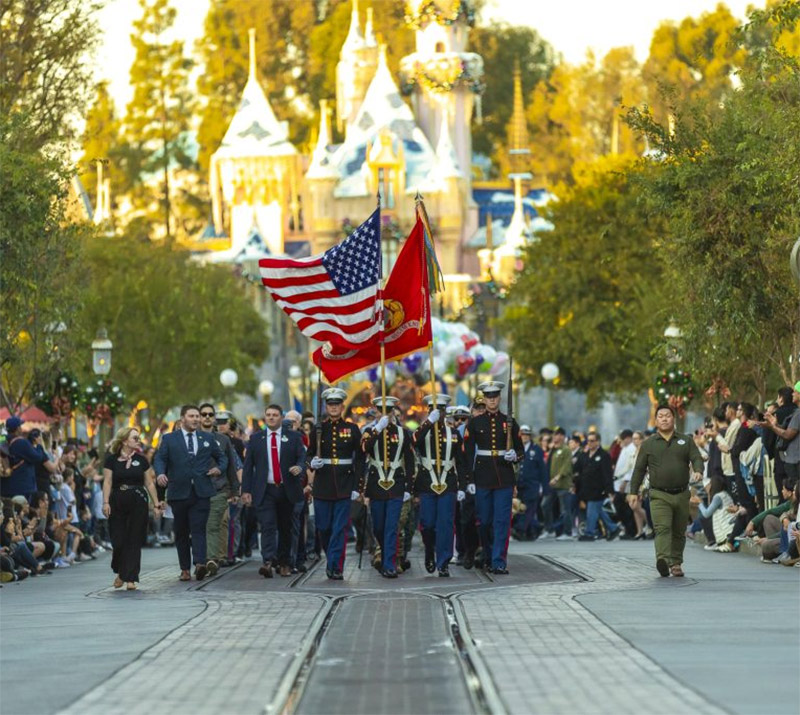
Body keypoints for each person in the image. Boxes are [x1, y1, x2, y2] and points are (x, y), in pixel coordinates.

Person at [629, 404, 704, 577]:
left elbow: (696, 457)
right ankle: (662, 560)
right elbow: (639, 469)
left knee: (679, 530)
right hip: (659, 494)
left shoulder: (685, 440)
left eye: (667, 415)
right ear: (656, 421)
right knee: (662, 528)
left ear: (673, 419)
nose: (664, 418)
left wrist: (698, 470)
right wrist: (633, 491)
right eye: (660, 416)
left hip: (681, 493)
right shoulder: (648, 444)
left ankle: (676, 563)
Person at [153, 405, 227, 582]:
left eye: (197, 416)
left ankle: (200, 564)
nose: (196, 419)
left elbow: (223, 457)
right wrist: (161, 473)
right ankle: (185, 569)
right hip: (178, 492)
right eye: (192, 416)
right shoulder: (169, 439)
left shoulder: (207, 438)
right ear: (182, 419)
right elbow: (159, 459)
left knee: (199, 528)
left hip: (201, 491)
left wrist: (219, 468)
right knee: (181, 532)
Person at [463, 381, 522, 575]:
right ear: (485, 399)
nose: (492, 400)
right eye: (489, 397)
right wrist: (469, 481)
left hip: (504, 477)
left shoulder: (509, 422)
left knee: (502, 521)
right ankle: (488, 554)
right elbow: (468, 453)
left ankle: (498, 561)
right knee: (485, 521)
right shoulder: (475, 422)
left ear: (499, 398)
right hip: (482, 476)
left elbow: (520, 449)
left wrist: (514, 455)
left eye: (495, 396)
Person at [241, 404, 307, 578]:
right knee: (268, 525)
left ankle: (285, 562)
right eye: (268, 415)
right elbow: (248, 467)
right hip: (265, 490)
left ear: (281, 417)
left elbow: (302, 457)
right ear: (265, 417)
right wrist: (246, 490)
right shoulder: (256, 439)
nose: (271, 417)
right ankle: (268, 561)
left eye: (275, 415)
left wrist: (299, 468)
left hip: (287, 489)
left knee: (286, 527)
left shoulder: (293, 437)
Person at [305, 388, 364, 580]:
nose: (333, 407)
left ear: (342, 406)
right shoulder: (318, 429)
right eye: (330, 404)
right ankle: (331, 558)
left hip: (345, 484)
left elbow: (360, 459)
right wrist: (311, 463)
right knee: (323, 527)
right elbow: (308, 453)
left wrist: (357, 486)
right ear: (326, 406)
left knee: (340, 528)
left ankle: (335, 566)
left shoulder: (352, 429)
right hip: (323, 485)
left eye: (337, 404)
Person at [361, 396, 415, 578]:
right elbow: (364, 449)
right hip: (376, 485)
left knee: (392, 526)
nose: (386, 414)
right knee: (379, 527)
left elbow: (409, 461)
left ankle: (389, 564)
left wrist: (409, 487)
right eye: (381, 410)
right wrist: (378, 428)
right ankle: (384, 554)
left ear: (393, 412)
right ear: (375, 411)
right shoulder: (370, 431)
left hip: (396, 484)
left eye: (389, 410)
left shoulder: (402, 432)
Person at [102, 427, 162, 590]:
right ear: (124, 441)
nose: (138, 440)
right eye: (135, 438)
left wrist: (156, 504)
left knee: (134, 539)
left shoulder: (142, 460)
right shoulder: (111, 460)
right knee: (118, 540)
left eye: (138, 438)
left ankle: (131, 578)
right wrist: (105, 502)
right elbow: (107, 481)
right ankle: (121, 572)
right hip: (117, 501)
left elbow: (149, 482)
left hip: (138, 501)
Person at [414, 394, 466, 577]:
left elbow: (461, 462)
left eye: (441, 410)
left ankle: (443, 562)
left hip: (448, 482)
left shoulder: (453, 434)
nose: (438, 413)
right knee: (427, 523)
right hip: (427, 482)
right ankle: (429, 549)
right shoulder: (424, 430)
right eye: (434, 409)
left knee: (445, 523)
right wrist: (429, 422)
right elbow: (414, 441)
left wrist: (463, 486)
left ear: (445, 412)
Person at [197, 404, 240, 570]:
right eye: (204, 414)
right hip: (196, 491)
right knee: (200, 526)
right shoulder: (192, 438)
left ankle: (213, 559)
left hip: (219, 489)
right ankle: (202, 559)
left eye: (210, 414)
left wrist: (235, 490)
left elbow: (231, 465)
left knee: (215, 524)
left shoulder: (223, 440)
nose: (207, 417)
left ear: (213, 418)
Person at [575, 432, 620, 541]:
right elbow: (578, 471)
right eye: (588, 441)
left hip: (599, 489)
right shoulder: (584, 455)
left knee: (592, 511)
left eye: (592, 440)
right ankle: (613, 529)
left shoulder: (604, 456)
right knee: (598, 511)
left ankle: (589, 533)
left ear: (598, 442)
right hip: (586, 489)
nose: (589, 443)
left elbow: (607, 474)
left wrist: (610, 490)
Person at [1, 417, 58, 501]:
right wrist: (39, 446)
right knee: (23, 511)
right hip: (22, 487)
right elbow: (37, 457)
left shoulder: (3, 440)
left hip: (6, 486)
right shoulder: (21, 442)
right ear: (17, 429)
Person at [515, 425, 547, 540]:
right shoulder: (516, 448)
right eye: (522, 434)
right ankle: (534, 529)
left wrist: (543, 487)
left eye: (526, 434)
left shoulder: (536, 450)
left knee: (529, 508)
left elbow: (542, 469)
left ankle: (521, 530)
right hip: (519, 484)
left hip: (532, 484)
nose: (524, 437)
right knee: (519, 508)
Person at [548, 427, 575, 540]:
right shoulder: (554, 449)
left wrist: (557, 477)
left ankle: (568, 532)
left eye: (558, 435)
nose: (555, 437)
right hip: (552, 485)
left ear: (563, 437)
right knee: (546, 505)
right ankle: (551, 529)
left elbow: (566, 466)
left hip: (563, 485)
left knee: (565, 509)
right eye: (554, 435)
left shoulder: (566, 449)